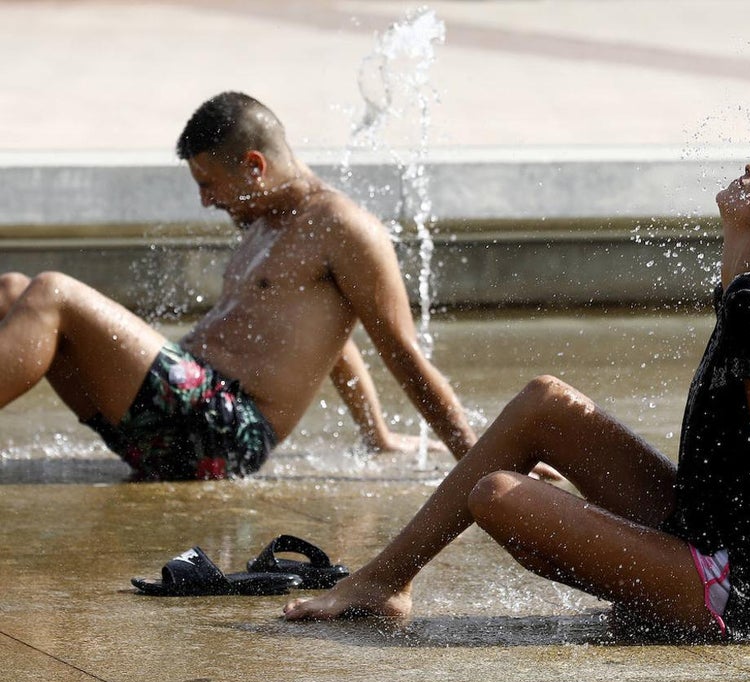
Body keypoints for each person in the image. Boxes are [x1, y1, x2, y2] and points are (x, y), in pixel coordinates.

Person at [284, 160, 750, 653]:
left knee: (497, 495)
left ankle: (680, 601)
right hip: (705, 531)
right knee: (545, 401)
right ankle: (385, 580)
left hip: (734, 589)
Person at [0, 91, 477, 480]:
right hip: (180, 415)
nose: (205, 201)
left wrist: (478, 462)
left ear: (254, 165)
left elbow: (403, 353)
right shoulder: (265, 222)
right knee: (12, 290)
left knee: (50, 293)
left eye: (209, 184)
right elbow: (334, 344)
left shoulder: (345, 228)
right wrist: (377, 434)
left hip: (225, 434)